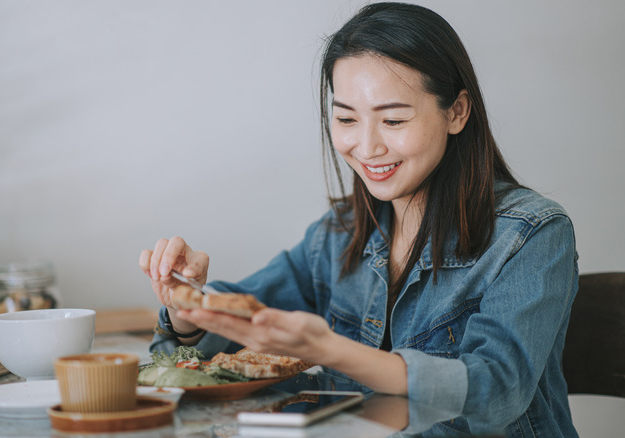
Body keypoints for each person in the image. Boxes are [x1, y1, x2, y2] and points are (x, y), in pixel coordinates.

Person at [139, 3, 578, 436]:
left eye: (393, 119)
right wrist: (189, 305)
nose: (366, 148)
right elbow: (228, 332)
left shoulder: (531, 234)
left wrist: (331, 350)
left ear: (457, 112)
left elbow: (498, 391)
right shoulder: (340, 233)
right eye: (346, 118)